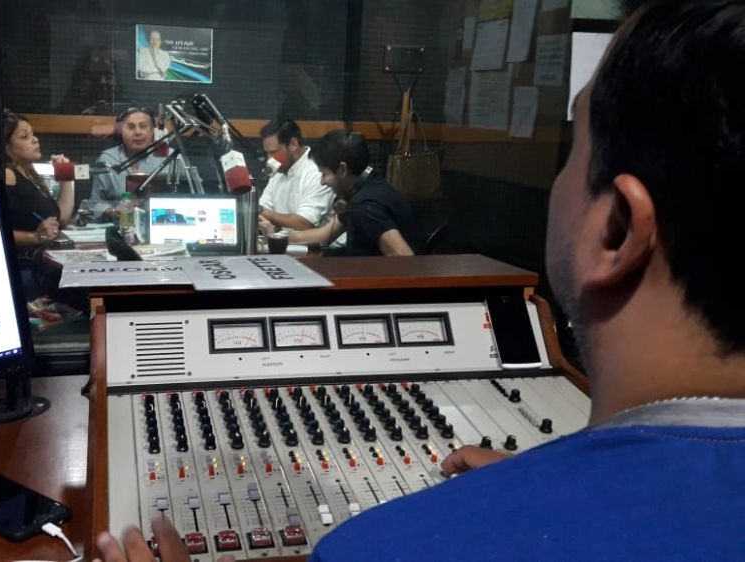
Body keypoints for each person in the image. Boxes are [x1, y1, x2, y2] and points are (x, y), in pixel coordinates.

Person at [90, 2, 745, 560]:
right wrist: (554, 478)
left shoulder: (372, 549)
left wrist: (538, 494)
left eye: (573, 148)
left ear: (617, 228)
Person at [265, 130, 415, 256]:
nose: (322, 182)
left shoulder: (364, 206)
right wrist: (274, 236)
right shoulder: (365, 188)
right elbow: (323, 236)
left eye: (324, 174)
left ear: (343, 169)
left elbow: (403, 256)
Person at [3, 110, 76, 299]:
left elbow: (62, 219)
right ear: (7, 147)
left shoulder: (30, 174)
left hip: (44, 265)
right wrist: (34, 237)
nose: (35, 140)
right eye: (25, 137)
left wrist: (66, 177)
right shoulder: (8, 175)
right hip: (24, 271)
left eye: (33, 134)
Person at [90, 106, 175, 220]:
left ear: (152, 131)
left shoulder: (171, 157)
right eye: (131, 127)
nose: (137, 132)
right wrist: (112, 212)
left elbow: (189, 197)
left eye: (143, 126)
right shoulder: (108, 159)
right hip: (121, 224)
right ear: (121, 132)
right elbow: (95, 202)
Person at [256, 119, 336, 233]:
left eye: (273, 153)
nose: (269, 160)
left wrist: (263, 213)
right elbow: (263, 210)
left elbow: (304, 224)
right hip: (284, 241)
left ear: (293, 144)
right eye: (267, 153)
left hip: (318, 244)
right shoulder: (278, 169)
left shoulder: (318, 171)